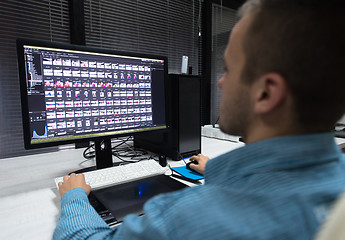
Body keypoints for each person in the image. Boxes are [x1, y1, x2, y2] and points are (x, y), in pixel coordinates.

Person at [53, 0, 345, 239]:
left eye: (229, 70)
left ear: (266, 94)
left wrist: (74, 196)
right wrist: (216, 169)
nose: (220, 83)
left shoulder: (193, 219)